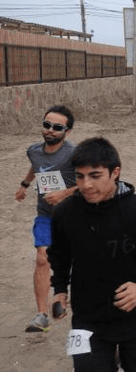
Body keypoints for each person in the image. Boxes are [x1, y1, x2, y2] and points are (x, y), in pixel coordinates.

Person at [48, 137, 136, 371]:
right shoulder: (64, 213)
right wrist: (60, 288)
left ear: (115, 173)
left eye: (95, 175)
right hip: (85, 319)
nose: (86, 185)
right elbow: (59, 254)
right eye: (79, 176)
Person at [15, 105, 79, 332]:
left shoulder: (74, 154)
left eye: (57, 127)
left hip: (74, 216)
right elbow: (37, 167)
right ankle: (41, 315)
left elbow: (89, 182)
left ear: (67, 131)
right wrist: (24, 185)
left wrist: (64, 193)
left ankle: (67, 299)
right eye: (47, 125)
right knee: (42, 258)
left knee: (79, 262)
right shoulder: (34, 150)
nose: (50, 130)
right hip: (45, 215)